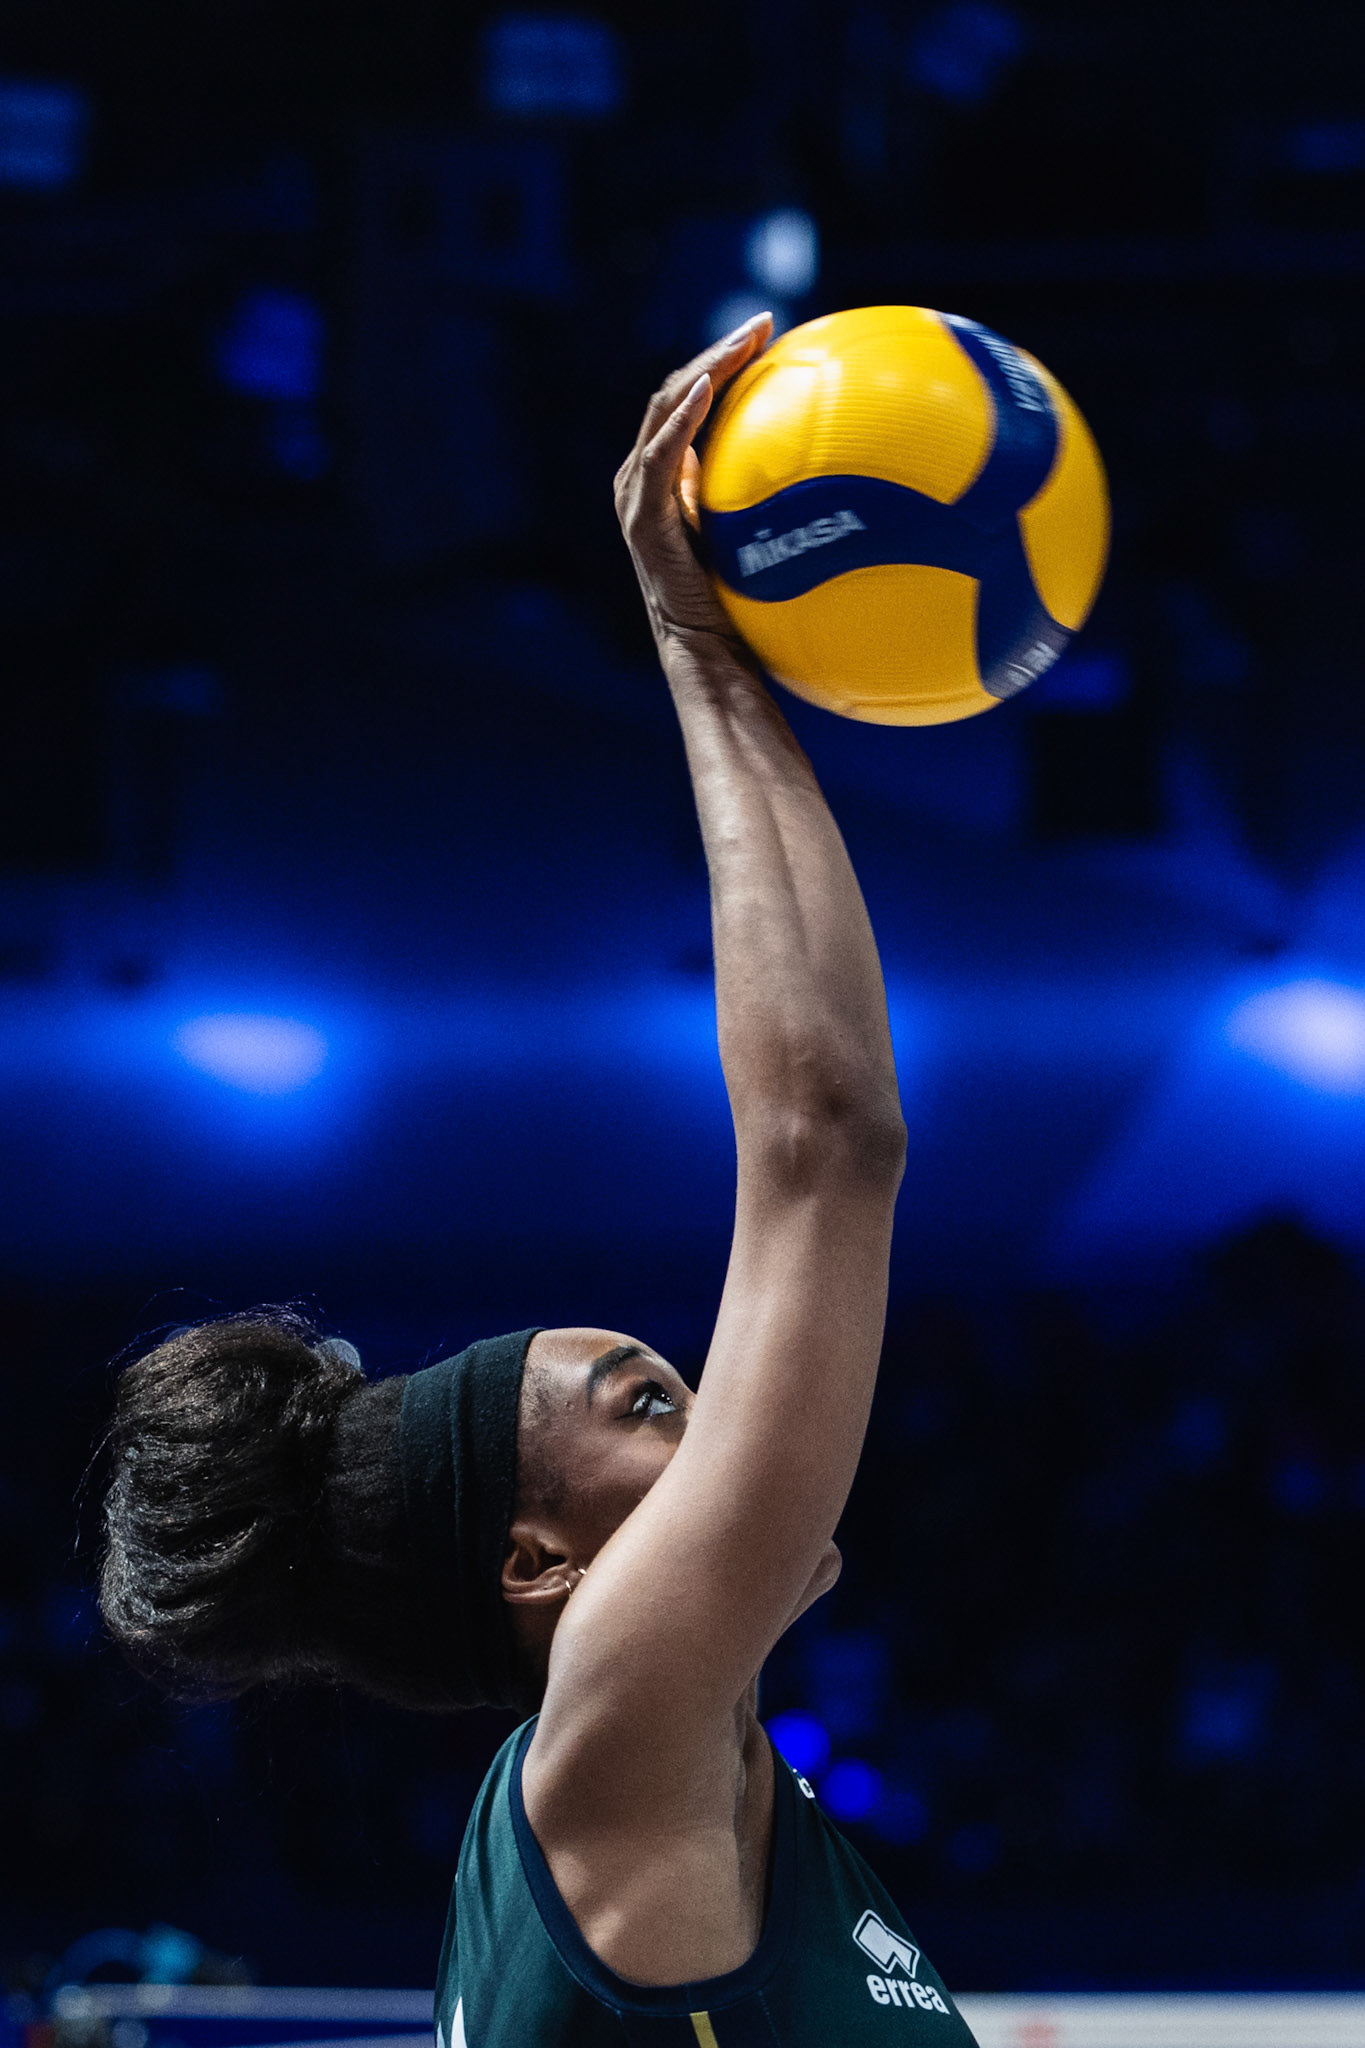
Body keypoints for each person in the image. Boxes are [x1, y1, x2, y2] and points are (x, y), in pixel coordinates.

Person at [99, 315, 980, 2045]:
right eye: (648, 1403)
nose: (723, 1405)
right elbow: (824, 1142)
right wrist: (702, 647)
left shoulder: (673, 1779)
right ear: (538, 1561)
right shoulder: (618, 1721)